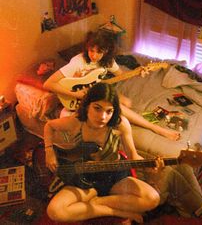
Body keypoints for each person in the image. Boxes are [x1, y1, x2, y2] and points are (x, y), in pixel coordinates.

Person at [43, 83, 160, 223]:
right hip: (85, 178)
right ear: (87, 106)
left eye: (109, 111)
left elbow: (133, 156)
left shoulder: (120, 124)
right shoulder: (76, 122)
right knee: (55, 211)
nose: (103, 117)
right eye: (97, 108)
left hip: (115, 176)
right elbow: (49, 126)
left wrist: (150, 167)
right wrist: (49, 151)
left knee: (152, 199)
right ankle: (112, 210)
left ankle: (97, 203)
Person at [43, 30, 180, 141]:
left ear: (106, 51)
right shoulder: (78, 62)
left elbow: (121, 75)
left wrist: (137, 73)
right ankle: (156, 129)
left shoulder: (108, 62)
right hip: (76, 97)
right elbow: (48, 84)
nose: (94, 55)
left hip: (96, 89)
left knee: (126, 102)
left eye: (99, 51)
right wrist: (75, 94)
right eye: (91, 50)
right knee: (118, 106)